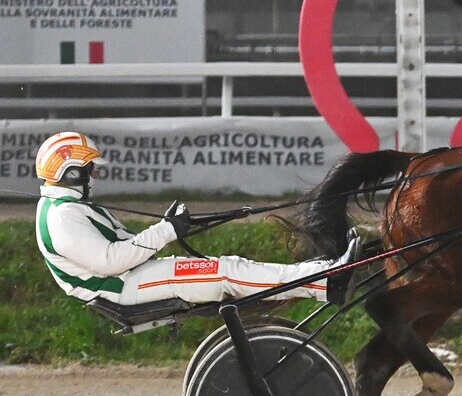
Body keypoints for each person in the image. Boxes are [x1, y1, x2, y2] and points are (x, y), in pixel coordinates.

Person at [34, 131, 359, 307]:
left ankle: (324, 275)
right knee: (228, 271)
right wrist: (165, 230)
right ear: (71, 172)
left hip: (131, 279)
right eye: (90, 169)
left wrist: (166, 227)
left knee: (230, 267)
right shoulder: (62, 216)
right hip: (124, 286)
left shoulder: (68, 208)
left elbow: (118, 249)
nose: (94, 174)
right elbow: (111, 260)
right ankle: (326, 282)